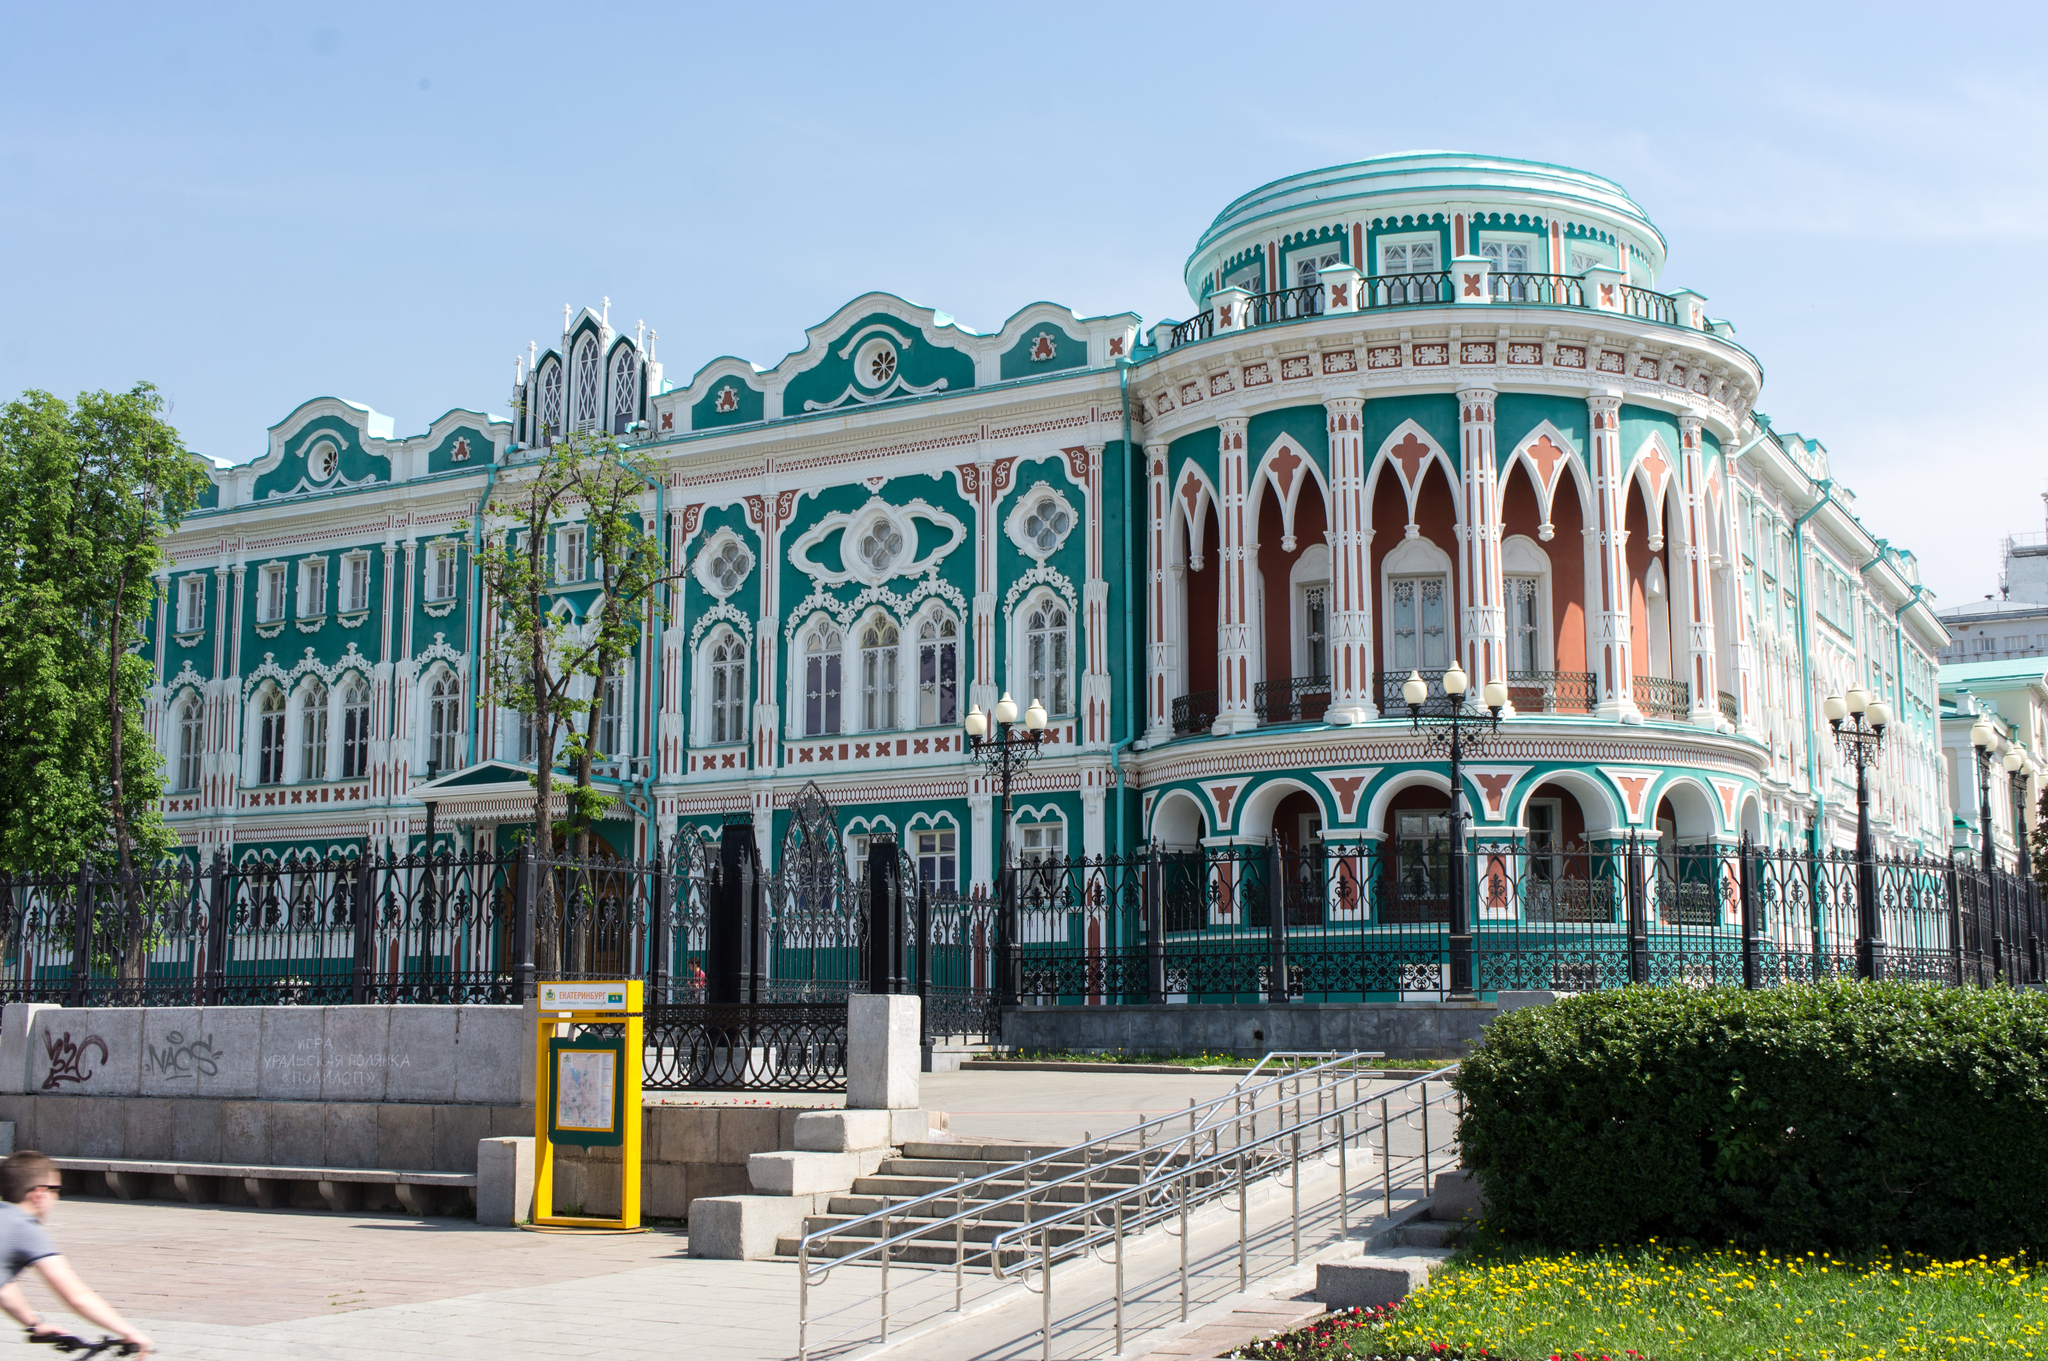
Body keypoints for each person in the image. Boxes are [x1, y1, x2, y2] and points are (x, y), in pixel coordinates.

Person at [0, 1152, 150, 1356]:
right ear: (39, 1193)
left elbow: (3, 1285)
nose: (57, 1197)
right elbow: (77, 1297)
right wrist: (130, 1332)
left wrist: (33, 1323)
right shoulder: (23, 1227)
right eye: (56, 1190)